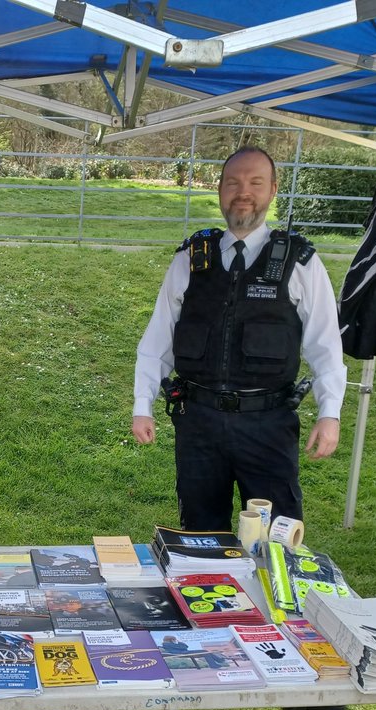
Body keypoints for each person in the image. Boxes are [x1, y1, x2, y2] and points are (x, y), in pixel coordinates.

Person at [132, 146, 347, 533]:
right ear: (219, 190)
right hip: (198, 424)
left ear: (273, 190)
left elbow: (325, 345)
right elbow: (157, 340)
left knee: (276, 537)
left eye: (255, 182)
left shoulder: (300, 263)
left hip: (267, 424)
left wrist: (329, 413)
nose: (242, 191)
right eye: (233, 182)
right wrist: (141, 404)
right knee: (201, 534)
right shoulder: (190, 260)